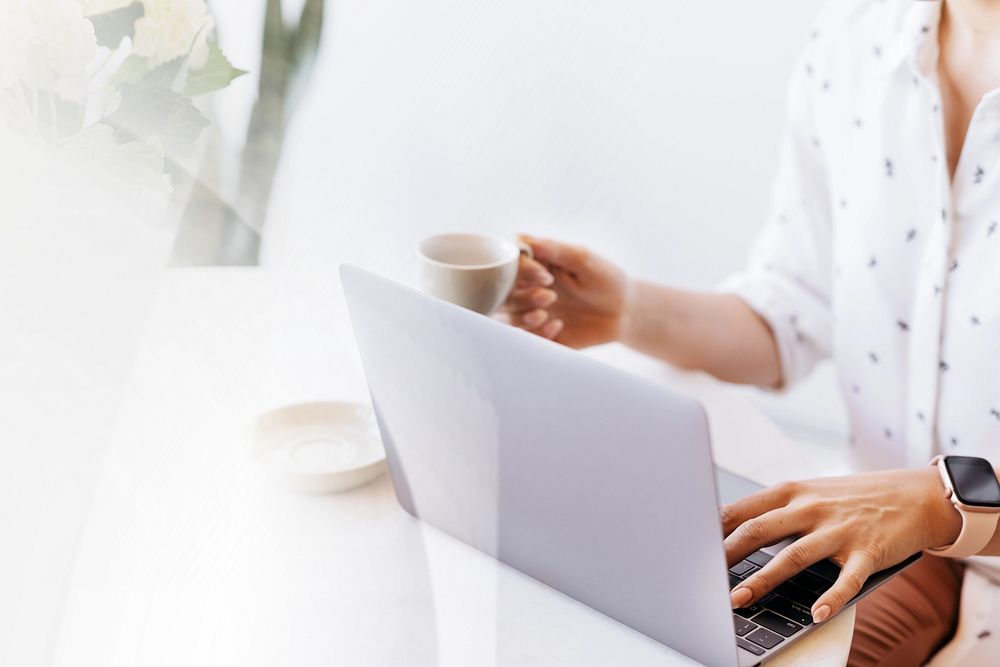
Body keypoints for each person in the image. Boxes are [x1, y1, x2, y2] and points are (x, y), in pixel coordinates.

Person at [500, 0, 1000, 664]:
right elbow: (793, 308)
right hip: (887, 549)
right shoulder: (855, 37)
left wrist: (944, 502)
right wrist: (627, 312)